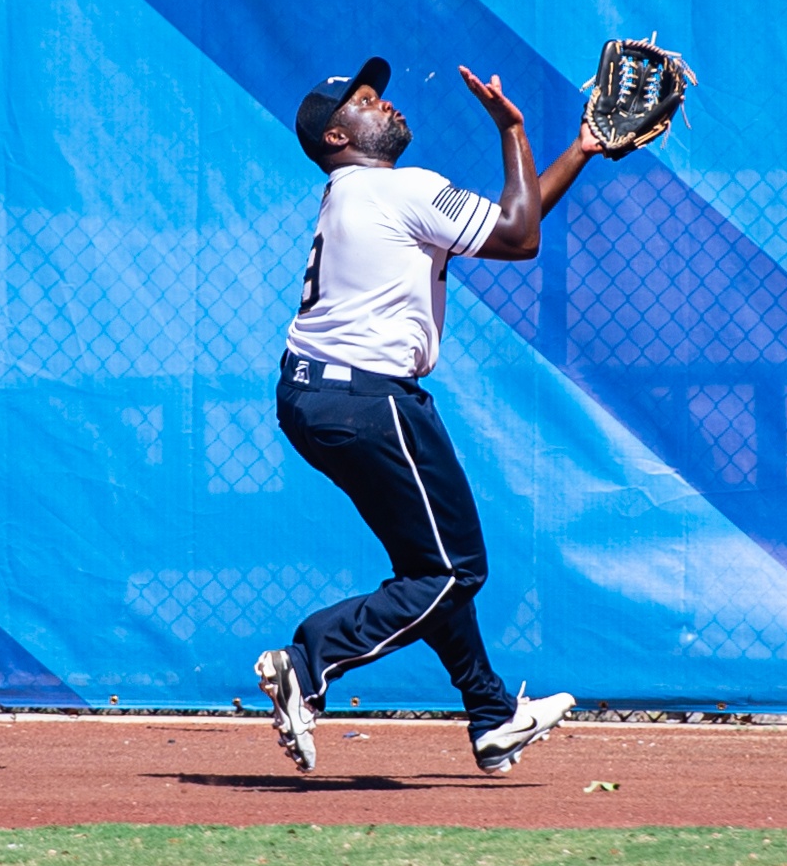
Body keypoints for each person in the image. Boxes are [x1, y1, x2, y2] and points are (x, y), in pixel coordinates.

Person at [255, 56, 606, 775]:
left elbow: (514, 219)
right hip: (368, 397)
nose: (383, 103)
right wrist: (512, 128)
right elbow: (520, 236)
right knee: (455, 570)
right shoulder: (401, 190)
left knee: (428, 564)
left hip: (316, 395)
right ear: (335, 137)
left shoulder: (360, 196)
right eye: (363, 100)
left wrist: (581, 149)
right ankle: (307, 659)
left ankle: (490, 712)